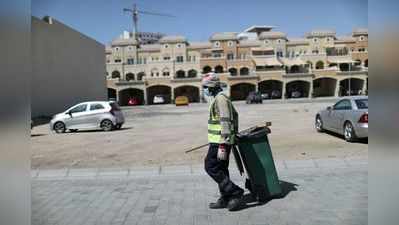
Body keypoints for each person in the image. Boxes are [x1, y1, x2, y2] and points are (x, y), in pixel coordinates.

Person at [201, 72, 244, 211]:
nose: (205, 89)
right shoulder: (219, 98)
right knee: (221, 168)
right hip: (220, 140)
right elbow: (235, 116)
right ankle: (227, 198)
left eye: (206, 86)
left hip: (220, 142)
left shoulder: (220, 99)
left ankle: (234, 191)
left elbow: (225, 120)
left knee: (210, 166)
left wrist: (224, 141)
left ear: (213, 86)